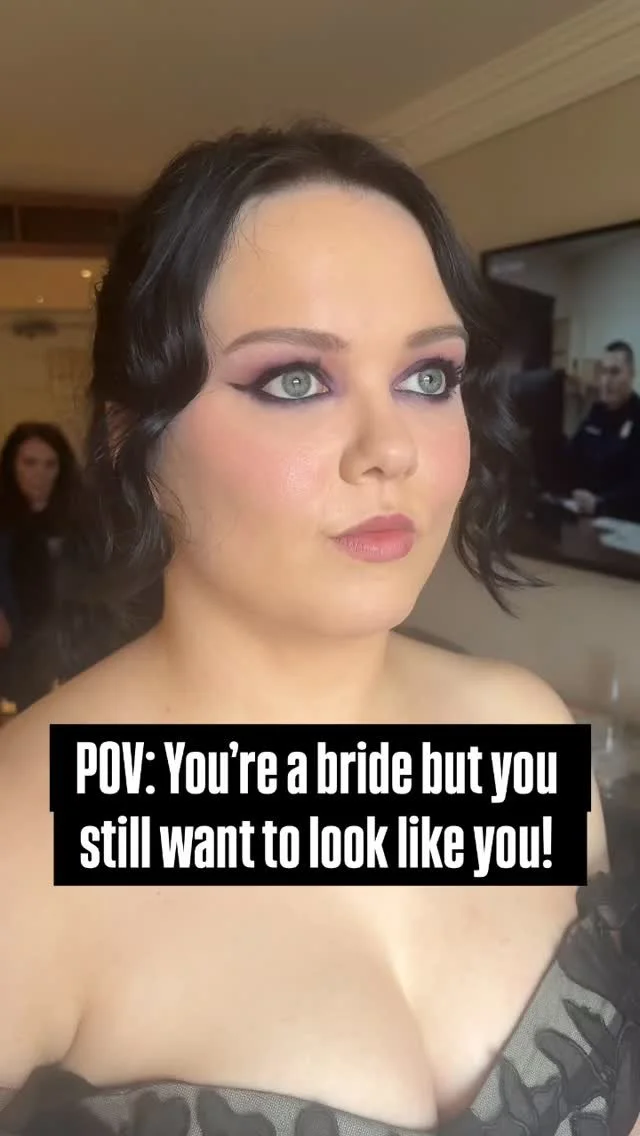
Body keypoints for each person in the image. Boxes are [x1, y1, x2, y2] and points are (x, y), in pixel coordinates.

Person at [0, 125, 637, 1136]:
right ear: (132, 439)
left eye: (428, 377)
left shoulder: (515, 730)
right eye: (295, 378)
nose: (391, 449)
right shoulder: (23, 831)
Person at [0, 421, 78, 707]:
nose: (39, 474)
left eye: (49, 464)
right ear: (12, 465)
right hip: (13, 640)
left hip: (66, 642)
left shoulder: (78, 519)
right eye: (29, 463)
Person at [567, 340, 640, 521]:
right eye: (603, 372)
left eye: (614, 372)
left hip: (624, 524)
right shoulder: (596, 414)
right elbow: (571, 457)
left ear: (632, 374)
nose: (606, 381)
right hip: (588, 519)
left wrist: (601, 504)